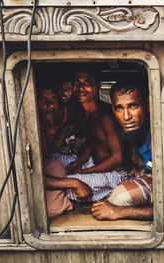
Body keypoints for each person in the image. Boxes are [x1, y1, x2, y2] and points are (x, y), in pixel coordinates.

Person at [45, 69, 125, 208]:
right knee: (52, 159)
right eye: (77, 83)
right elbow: (94, 142)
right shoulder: (84, 113)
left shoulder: (105, 116)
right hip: (92, 162)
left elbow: (118, 158)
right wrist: (80, 161)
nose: (81, 88)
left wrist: (84, 172)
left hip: (114, 173)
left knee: (66, 182)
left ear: (97, 86)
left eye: (86, 83)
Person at [92, 80, 153, 220]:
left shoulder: (159, 130)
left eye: (133, 106)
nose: (126, 116)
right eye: (120, 108)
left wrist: (119, 212)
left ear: (147, 105)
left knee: (118, 198)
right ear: (113, 110)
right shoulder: (131, 133)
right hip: (146, 173)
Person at [37, 87, 91, 218]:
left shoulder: (71, 114)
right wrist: (74, 183)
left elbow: (91, 139)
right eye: (43, 99)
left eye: (53, 99)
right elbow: (32, 176)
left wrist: (80, 161)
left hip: (63, 161)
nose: (49, 105)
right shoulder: (29, 124)